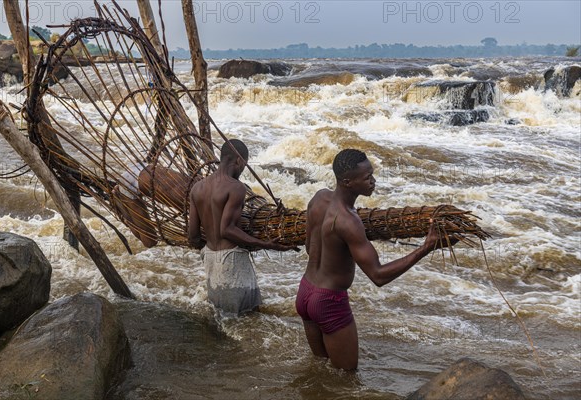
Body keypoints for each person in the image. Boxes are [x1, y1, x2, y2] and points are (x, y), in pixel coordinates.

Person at [295, 149, 459, 370]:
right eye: (367, 177)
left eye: (372, 174)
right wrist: (427, 246)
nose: (373, 181)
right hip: (328, 302)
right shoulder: (348, 221)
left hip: (305, 293)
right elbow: (378, 276)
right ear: (347, 181)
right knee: (346, 381)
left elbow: (309, 247)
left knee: (321, 373)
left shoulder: (318, 199)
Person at [188, 139, 297, 315]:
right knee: (248, 318)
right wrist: (267, 244)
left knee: (222, 318)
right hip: (232, 262)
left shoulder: (197, 188)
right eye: (244, 164)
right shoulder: (236, 187)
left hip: (209, 258)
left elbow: (192, 236)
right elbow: (227, 229)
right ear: (238, 161)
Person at [112, 162, 190, 248]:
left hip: (144, 168)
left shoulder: (201, 187)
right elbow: (150, 243)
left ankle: (121, 200)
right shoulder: (197, 200)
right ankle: (122, 208)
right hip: (131, 180)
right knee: (149, 240)